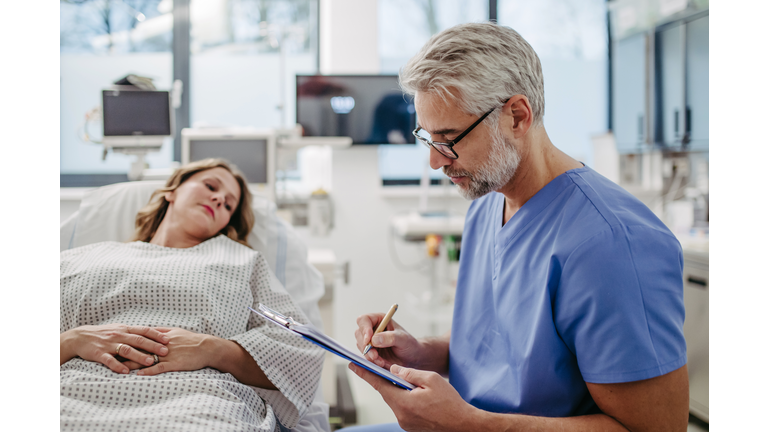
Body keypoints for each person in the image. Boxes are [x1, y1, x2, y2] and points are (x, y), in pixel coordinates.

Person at [345, 22, 689, 432]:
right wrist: (423, 353)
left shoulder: (612, 244)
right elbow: (511, 350)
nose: (436, 162)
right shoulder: (487, 203)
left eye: (450, 138)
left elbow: (655, 428)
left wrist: (470, 424)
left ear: (517, 116)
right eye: (428, 138)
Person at [60, 158, 325, 432]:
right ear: (172, 190)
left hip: (199, 406)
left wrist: (212, 350)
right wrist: (70, 341)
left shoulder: (241, 262)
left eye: (229, 205)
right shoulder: (82, 258)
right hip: (72, 397)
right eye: (211, 186)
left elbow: (301, 354)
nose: (220, 199)